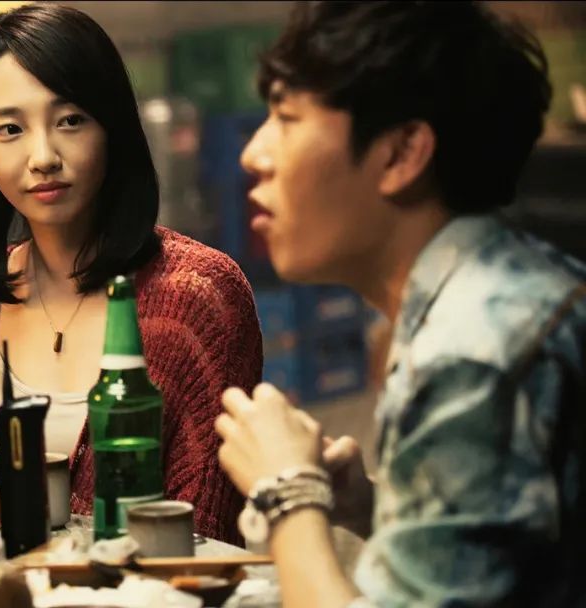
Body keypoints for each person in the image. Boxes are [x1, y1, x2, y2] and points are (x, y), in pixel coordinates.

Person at [214, 1, 586, 606]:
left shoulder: (472, 354)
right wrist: (378, 506)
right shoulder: (500, 290)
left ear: (401, 153)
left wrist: (289, 493)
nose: (253, 154)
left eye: (286, 117)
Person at [0, 3, 263, 543]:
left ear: (112, 124)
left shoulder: (200, 296)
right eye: (10, 129)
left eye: (70, 120)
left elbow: (204, 541)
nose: (43, 157)